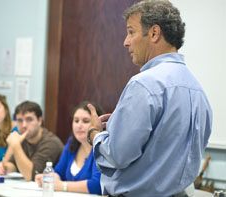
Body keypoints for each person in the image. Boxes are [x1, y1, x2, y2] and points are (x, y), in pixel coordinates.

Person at [86, 0, 212, 196]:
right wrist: (123, 127)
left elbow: (117, 155)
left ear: (154, 33)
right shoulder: (198, 91)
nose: (126, 41)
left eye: (131, 32)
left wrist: (94, 133)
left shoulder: (144, 85)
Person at [35, 101, 103, 195]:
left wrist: (62, 186)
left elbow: (97, 185)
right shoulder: (72, 143)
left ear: (98, 124)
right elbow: (59, 172)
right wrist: (48, 178)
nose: (79, 125)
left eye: (85, 121)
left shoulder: (101, 147)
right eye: (76, 121)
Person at [0, 101, 64, 182]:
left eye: (29, 120)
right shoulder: (23, 139)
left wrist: (15, 145)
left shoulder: (51, 142)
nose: (24, 125)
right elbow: (14, 164)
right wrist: (5, 168)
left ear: (39, 121)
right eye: (20, 120)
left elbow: (31, 176)